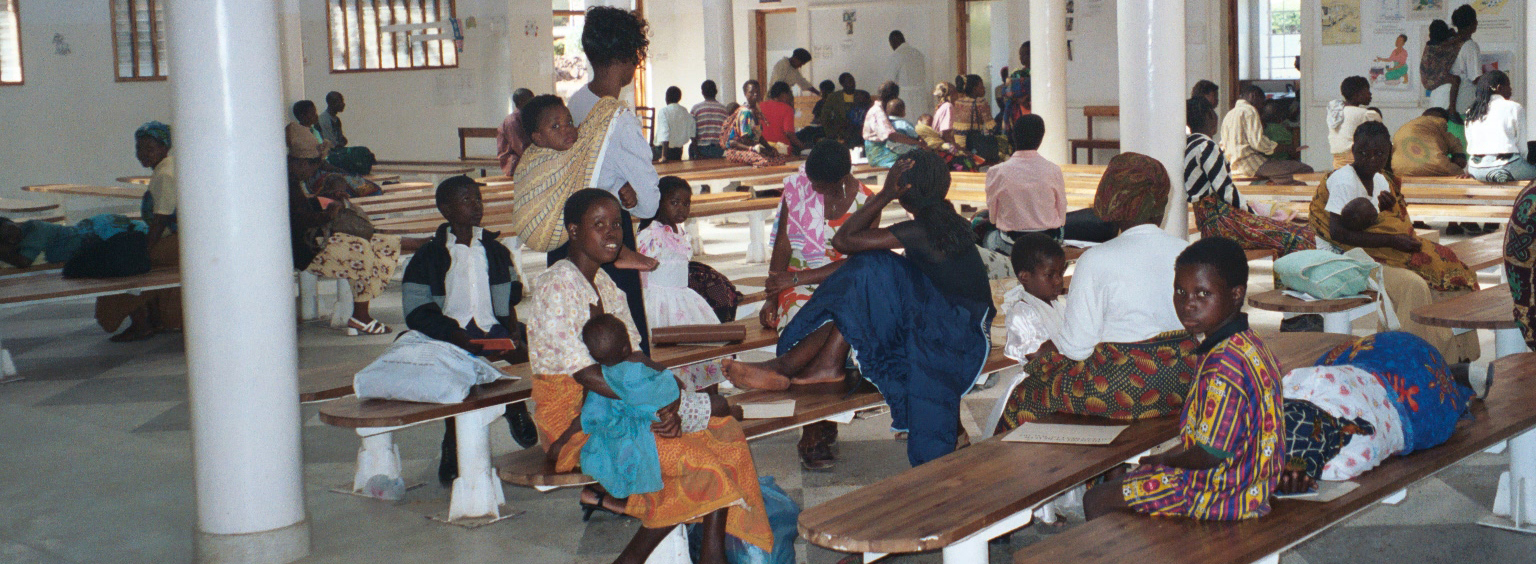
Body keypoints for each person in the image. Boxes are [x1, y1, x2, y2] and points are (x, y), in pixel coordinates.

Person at [528, 189, 773, 563]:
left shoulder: (607, 284)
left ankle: (702, 553)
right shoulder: (556, 285)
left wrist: (672, 398)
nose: (612, 234)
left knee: (725, 433)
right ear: (573, 231)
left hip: (628, 402)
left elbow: (637, 355)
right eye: (599, 225)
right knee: (699, 462)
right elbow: (590, 378)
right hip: (579, 421)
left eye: (616, 225)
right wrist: (656, 407)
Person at [724, 151, 993, 467]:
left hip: (958, 334)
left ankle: (796, 367)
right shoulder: (942, 223)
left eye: (896, 186)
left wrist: (884, 195)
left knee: (869, 267)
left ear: (904, 194)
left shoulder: (922, 230)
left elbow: (844, 241)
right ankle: (803, 366)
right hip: (946, 318)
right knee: (866, 280)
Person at [1083, 237, 1284, 522]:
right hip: (1252, 482)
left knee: (1098, 498)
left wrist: (1167, 461)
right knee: (1134, 476)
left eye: (1202, 294)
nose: (1188, 304)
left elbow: (1209, 454)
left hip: (1222, 492)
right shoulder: (1246, 344)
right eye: (1180, 291)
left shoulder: (1225, 366)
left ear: (1236, 294)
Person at [997, 153, 1198, 431]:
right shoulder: (1186, 251)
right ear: (1161, 203)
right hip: (1185, 379)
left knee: (1028, 394)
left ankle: (1041, 471)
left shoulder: (1096, 259)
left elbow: (1077, 349)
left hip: (1126, 389)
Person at [398, 175, 535, 483]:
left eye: (478, 199)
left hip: (492, 328)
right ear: (445, 209)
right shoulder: (428, 256)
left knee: (524, 359)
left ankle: (516, 407)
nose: (476, 206)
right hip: (450, 333)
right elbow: (417, 309)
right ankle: (452, 442)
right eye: (466, 200)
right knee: (457, 381)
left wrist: (511, 328)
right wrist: (450, 332)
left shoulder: (495, 250)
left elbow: (512, 294)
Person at [1309, 121, 1480, 363]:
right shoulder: (1344, 180)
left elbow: (1388, 220)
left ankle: (1459, 360)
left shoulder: (1381, 180)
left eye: (1379, 153)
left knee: (1453, 277)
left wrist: (1390, 212)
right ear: (1353, 150)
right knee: (1414, 285)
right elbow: (1338, 233)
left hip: (1382, 250)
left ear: (1389, 151)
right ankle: (1413, 362)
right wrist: (1392, 239)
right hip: (1349, 257)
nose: (1371, 159)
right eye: (1363, 153)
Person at [757, 140, 876, 470]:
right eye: (810, 181)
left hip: (841, 282)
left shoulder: (866, 201)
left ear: (840, 179)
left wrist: (799, 279)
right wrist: (771, 295)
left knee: (836, 320)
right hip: (795, 284)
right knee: (807, 321)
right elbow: (782, 244)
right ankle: (813, 431)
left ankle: (819, 425)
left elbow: (860, 262)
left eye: (819, 185)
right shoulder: (796, 187)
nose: (812, 189)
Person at [513, 93, 659, 355]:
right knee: (576, 312)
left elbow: (591, 176)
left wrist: (619, 184)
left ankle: (621, 253)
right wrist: (617, 184)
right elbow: (543, 196)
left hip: (584, 240)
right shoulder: (537, 161)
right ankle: (622, 253)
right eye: (555, 127)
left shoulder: (579, 154)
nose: (567, 130)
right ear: (537, 138)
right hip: (559, 236)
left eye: (569, 121)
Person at [1277, 332, 1475, 493]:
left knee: (1432, 397)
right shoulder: (1291, 392)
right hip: (1389, 359)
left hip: (1408, 381)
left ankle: (1458, 378)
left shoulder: (1348, 456)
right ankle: (1457, 376)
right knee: (1431, 390)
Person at [286, 142, 409, 337]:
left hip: (312, 241)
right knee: (360, 249)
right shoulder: (286, 183)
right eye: (312, 167)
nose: (312, 172)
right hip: (305, 250)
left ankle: (362, 314)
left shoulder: (292, 181)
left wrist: (326, 198)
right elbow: (297, 220)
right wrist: (327, 215)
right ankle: (361, 317)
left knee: (381, 243)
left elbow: (302, 210)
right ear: (301, 163)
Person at [1187, 97, 1316, 257]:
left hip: (1211, 219)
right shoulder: (1206, 146)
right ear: (1209, 116)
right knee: (1295, 235)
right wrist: (1252, 214)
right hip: (1222, 221)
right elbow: (1226, 193)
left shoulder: (1190, 143)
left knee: (1285, 228)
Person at [636, 177, 729, 391]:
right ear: (659, 202)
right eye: (675, 202)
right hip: (660, 303)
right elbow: (639, 268)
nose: (682, 209)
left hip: (685, 299)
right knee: (670, 357)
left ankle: (706, 396)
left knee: (701, 353)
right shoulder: (652, 233)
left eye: (686, 203)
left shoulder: (681, 231)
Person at [95, 122, 183, 342]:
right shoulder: (169, 167)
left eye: (149, 148)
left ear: (165, 148)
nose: (143, 154)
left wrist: (143, 252)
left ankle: (140, 323)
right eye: (139, 148)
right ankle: (155, 320)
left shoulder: (165, 175)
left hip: (175, 242)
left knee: (127, 265)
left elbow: (160, 220)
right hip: (176, 241)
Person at [979, 114, 1065, 255]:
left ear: (1014, 136)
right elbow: (1061, 216)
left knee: (984, 232)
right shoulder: (1054, 170)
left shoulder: (996, 172)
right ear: (1041, 138)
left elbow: (993, 218)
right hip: (1048, 241)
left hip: (1011, 242)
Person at [287, 100, 380, 198]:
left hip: (321, 169)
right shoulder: (298, 133)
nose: (316, 115)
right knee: (345, 181)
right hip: (313, 177)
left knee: (354, 172)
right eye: (312, 113)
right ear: (302, 116)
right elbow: (317, 162)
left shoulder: (313, 131)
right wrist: (339, 170)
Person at [1220, 85, 1310, 182]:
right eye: (1262, 102)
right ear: (1253, 96)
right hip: (1251, 165)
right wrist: (1288, 148)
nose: (1262, 107)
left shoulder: (1229, 114)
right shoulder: (1249, 110)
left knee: (1281, 172)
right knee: (1304, 169)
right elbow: (1258, 143)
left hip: (1233, 166)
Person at [1002, 233, 1067, 361]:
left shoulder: (1057, 303)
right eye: (1050, 275)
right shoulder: (1020, 314)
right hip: (1040, 377)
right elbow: (1035, 356)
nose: (1059, 281)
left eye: (1061, 273)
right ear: (1025, 277)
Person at [1464, 71, 1536, 183]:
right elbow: (1522, 147)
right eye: (1508, 85)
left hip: (1476, 170)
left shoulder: (1471, 111)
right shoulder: (1514, 107)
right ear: (1499, 88)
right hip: (1506, 168)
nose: (1511, 90)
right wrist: (1526, 163)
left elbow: (1470, 143)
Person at [720, 80, 789, 168]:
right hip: (738, 150)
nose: (755, 95)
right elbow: (745, 139)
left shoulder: (756, 111)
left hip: (752, 148)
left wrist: (769, 147)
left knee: (779, 158)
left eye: (757, 92)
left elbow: (757, 135)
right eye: (751, 92)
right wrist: (763, 150)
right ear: (745, 94)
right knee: (764, 161)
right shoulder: (745, 113)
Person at [1427, 7, 1480, 115]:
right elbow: (1476, 78)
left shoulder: (1446, 42)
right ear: (1472, 23)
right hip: (1457, 108)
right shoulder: (1470, 46)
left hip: (1436, 103)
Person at [1392, 107, 1468, 178]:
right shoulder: (1444, 132)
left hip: (1399, 171)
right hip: (1436, 168)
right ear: (1444, 120)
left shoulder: (1404, 127)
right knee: (1460, 174)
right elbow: (1461, 162)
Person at [1327, 77, 1382, 169]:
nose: (1370, 94)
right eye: (1367, 91)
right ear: (1357, 94)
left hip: (1337, 164)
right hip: (1359, 165)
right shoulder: (1367, 114)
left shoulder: (1334, 114)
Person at [862, 83, 921, 167]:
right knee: (913, 162)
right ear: (893, 97)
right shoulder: (877, 112)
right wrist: (917, 143)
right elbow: (891, 135)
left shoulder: (882, 110)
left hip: (885, 150)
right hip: (879, 154)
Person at [0, 217, 86, 268]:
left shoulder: (34, 228)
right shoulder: (21, 236)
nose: (14, 234)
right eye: (8, 236)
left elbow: (24, 262)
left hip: (86, 239)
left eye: (12, 228)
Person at [950, 75, 997, 163]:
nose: (984, 88)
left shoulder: (957, 102)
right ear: (975, 89)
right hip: (973, 145)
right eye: (982, 86)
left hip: (957, 147)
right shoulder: (980, 103)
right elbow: (991, 126)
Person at [888, 30, 929, 117]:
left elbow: (890, 80)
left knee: (908, 123)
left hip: (905, 96)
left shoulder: (896, 56)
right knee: (921, 122)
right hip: (921, 95)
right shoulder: (918, 54)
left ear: (893, 42)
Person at [496, 88, 536, 176]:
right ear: (521, 102)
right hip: (514, 162)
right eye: (531, 100)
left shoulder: (526, 117)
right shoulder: (512, 121)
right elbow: (520, 147)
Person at [759, 81, 804, 156]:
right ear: (783, 94)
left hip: (762, 149)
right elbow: (789, 133)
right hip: (781, 150)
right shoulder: (787, 109)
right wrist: (802, 146)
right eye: (789, 94)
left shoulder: (760, 106)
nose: (791, 97)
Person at [689, 80, 731, 160]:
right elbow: (727, 132)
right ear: (716, 91)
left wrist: (697, 153)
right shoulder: (724, 110)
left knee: (691, 148)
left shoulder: (696, 109)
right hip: (718, 150)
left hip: (701, 149)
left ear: (702, 93)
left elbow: (692, 133)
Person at [654, 86, 696, 163]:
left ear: (666, 97)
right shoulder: (685, 111)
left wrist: (664, 156)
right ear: (679, 98)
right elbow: (692, 133)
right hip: (678, 151)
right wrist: (697, 153)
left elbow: (665, 134)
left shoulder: (664, 111)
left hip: (663, 151)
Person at [813, 79, 852, 146]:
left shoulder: (838, 102)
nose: (822, 94)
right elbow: (815, 119)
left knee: (812, 134)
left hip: (833, 130)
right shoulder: (820, 103)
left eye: (823, 91)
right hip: (825, 128)